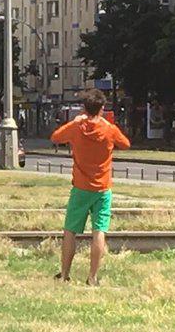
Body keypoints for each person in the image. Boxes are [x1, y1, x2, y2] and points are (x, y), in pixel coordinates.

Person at [49, 88, 130, 286]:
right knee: (99, 230)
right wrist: (107, 126)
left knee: (70, 230)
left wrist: (75, 122)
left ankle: (65, 274)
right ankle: (92, 278)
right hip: (102, 188)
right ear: (102, 108)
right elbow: (126, 144)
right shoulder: (108, 129)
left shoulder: (77, 127)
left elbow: (55, 137)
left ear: (83, 108)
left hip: (80, 187)